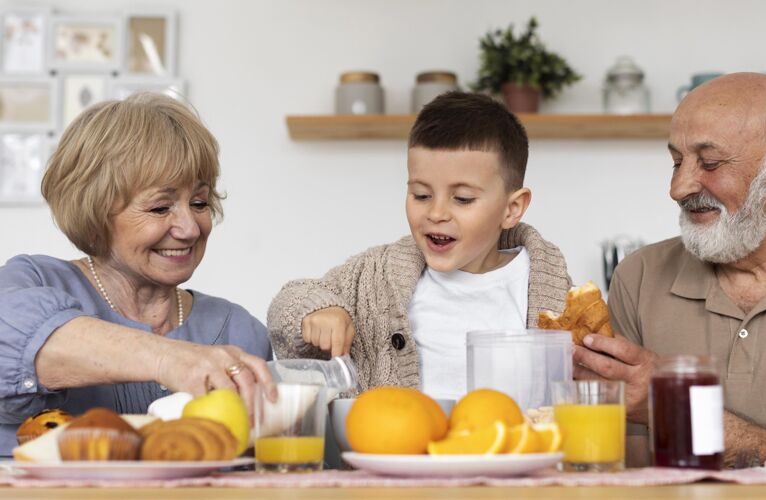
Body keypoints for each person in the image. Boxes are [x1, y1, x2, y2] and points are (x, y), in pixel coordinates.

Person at [573, 73, 766, 466]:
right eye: (676, 161)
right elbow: (627, 472)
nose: (679, 186)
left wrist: (671, 405)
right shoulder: (639, 275)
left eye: (710, 162)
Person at [0, 93, 274, 456]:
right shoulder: (33, 281)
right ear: (95, 214)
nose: (190, 228)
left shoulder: (239, 330)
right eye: (161, 207)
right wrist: (168, 359)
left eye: (199, 202)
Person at [268, 91, 572, 399]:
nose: (436, 213)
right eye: (421, 195)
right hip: (395, 444)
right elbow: (286, 305)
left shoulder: (550, 290)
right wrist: (319, 310)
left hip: (509, 445)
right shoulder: (374, 276)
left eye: (463, 199)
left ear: (512, 209)